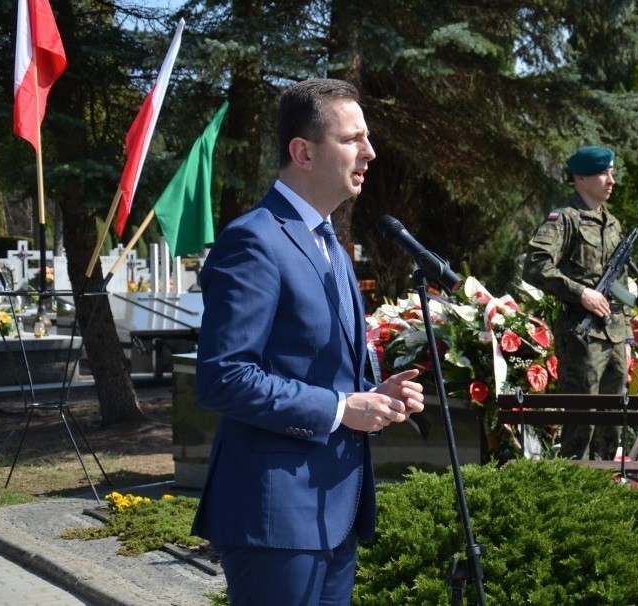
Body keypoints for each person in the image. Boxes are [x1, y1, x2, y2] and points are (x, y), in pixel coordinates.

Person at [191, 78, 425, 605]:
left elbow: (321, 370)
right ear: (303, 151)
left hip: (335, 510)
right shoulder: (254, 239)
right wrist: (342, 407)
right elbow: (223, 377)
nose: (370, 152)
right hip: (276, 516)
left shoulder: (331, 246)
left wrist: (376, 394)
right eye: (352, 139)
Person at [522, 145, 633, 460]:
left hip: (613, 335)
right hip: (581, 337)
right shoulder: (564, 219)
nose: (610, 180)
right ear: (580, 178)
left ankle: (608, 489)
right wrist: (581, 293)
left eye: (611, 172)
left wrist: (625, 336)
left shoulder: (612, 223)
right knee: (581, 421)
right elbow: (536, 265)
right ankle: (575, 491)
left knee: (613, 420)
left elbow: (619, 283)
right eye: (602, 173)